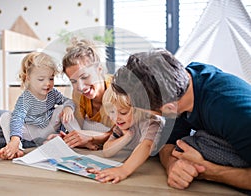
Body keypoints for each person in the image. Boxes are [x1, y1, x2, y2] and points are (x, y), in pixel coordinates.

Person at [111, 48, 251, 192]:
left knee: (196, 145)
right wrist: (172, 165)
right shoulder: (178, 87)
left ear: (169, 108)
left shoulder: (231, 111)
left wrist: (208, 171)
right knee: (182, 147)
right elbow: (168, 143)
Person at [0, 52, 79, 160]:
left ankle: (77, 137)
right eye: (41, 79)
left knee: (64, 108)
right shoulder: (26, 98)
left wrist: (68, 107)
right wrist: (15, 140)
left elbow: (68, 101)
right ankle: (16, 148)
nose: (47, 83)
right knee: (6, 117)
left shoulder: (52, 93)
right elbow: (17, 118)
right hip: (30, 131)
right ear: (28, 78)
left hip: (48, 128)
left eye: (51, 78)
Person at [88, 85, 164, 183]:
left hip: (156, 168)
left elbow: (147, 145)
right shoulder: (121, 126)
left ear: (139, 110)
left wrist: (124, 170)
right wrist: (127, 137)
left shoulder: (151, 122)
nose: (116, 118)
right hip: (142, 164)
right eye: (112, 112)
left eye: (123, 112)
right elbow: (107, 151)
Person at [61, 38, 114, 150]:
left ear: (99, 69)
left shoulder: (117, 91)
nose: (80, 87)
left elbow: (127, 133)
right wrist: (68, 138)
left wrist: (93, 138)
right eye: (73, 81)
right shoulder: (78, 94)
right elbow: (77, 129)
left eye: (85, 77)